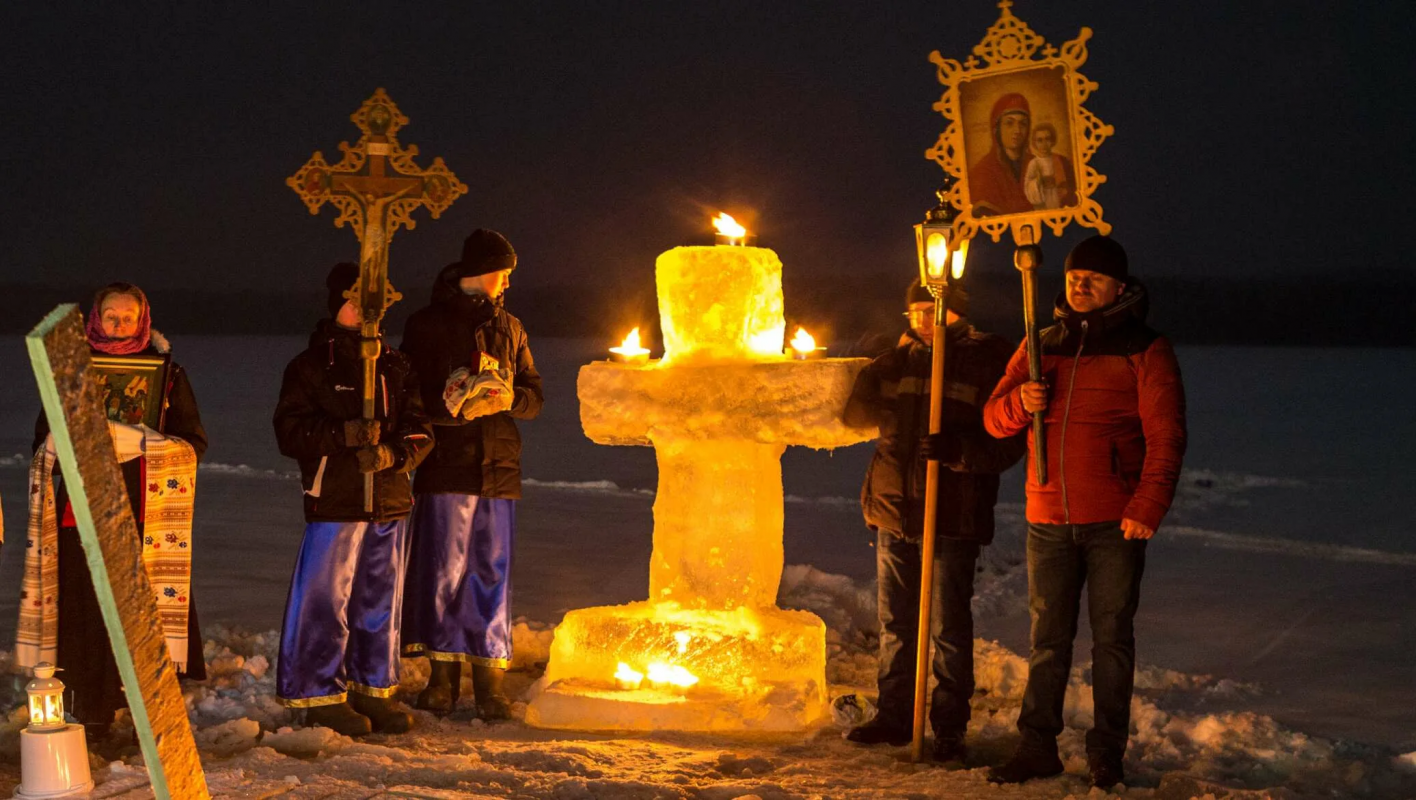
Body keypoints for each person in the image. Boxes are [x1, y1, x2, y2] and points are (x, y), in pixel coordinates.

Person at [982, 236, 1186, 789]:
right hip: (1047, 518)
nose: (1079, 285)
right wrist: (1019, 403)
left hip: (1115, 521)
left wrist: (1147, 505)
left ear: (1119, 287)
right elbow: (993, 420)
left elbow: (1166, 436)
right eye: (1074, 277)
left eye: (1093, 279)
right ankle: (1037, 747)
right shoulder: (1040, 340)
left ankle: (1106, 754)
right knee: (1047, 641)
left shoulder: (1145, 348)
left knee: (1112, 640)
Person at [841, 279, 1025, 764]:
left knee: (946, 625)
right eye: (915, 313)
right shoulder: (902, 361)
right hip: (894, 509)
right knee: (896, 623)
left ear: (956, 312)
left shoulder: (987, 359)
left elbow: (1010, 442)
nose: (922, 321)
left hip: (951, 513)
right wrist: (882, 359)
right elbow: (855, 414)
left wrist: (960, 453)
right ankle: (894, 716)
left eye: (931, 311)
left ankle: (947, 727)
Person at [18, 282, 208, 736]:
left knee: (139, 610)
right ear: (95, 319)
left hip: (147, 512)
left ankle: (149, 712)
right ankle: (94, 709)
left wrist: (146, 442)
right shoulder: (71, 371)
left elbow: (195, 443)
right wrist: (63, 444)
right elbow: (42, 442)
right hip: (82, 511)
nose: (119, 325)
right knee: (87, 609)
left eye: (127, 317)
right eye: (111, 316)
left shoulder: (169, 374)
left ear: (142, 319)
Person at [272, 263, 434, 736]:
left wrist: (394, 453)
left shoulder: (396, 365)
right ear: (336, 303)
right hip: (336, 502)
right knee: (325, 599)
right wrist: (342, 435)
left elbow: (420, 430)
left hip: (388, 501)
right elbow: (290, 431)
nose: (365, 312)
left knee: (379, 600)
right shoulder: (311, 366)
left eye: (373, 303)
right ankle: (319, 691)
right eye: (354, 301)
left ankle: (372, 688)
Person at [399, 229, 543, 719]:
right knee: (444, 572)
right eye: (504, 273)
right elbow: (408, 396)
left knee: (491, 574)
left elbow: (534, 395)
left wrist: (509, 399)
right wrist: (453, 404)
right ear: (481, 272)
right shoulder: (427, 325)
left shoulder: (512, 327)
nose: (507, 284)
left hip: (499, 469)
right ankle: (442, 681)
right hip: (447, 467)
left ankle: (490, 686)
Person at [968, 92, 1035, 217]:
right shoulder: (983, 172)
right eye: (1009, 123)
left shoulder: (1036, 164)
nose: (1017, 131)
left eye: (1023, 124)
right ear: (996, 129)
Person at [1023, 123, 1077, 210]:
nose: (1044, 144)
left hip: (1059, 198)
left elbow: (1072, 183)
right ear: (1034, 143)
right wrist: (1039, 182)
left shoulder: (1061, 160)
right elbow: (1028, 186)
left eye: (1047, 139)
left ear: (1052, 141)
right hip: (1043, 199)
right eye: (1040, 140)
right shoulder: (1033, 163)